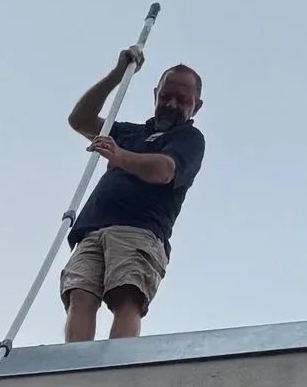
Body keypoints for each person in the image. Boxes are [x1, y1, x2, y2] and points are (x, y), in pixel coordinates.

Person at [60, 51, 206, 341]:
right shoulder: (129, 132)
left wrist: (119, 155)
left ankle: (117, 369)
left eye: (182, 100)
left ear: (196, 105)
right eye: (166, 96)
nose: (172, 104)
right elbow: (80, 119)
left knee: (127, 297)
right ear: (155, 94)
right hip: (93, 229)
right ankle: (76, 368)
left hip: (140, 231)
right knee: (80, 295)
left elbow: (164, 170)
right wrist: (118, 73)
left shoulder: (188, 139)